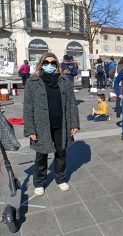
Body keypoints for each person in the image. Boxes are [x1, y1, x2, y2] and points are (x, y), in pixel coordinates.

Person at [23, 53, 80, 196]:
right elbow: (28, 106)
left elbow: (72, 103)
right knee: (41, 154)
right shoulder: (33, 81)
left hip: (61, 122)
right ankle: (39, 182)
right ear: (41, 64)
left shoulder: (64, 81)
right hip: (41, 124)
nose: (49, 65)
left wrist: (74, 123)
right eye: (46, 62)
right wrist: (30, 128)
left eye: (53, 63)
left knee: (61, 152)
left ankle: (60, 178)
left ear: (57, 65)